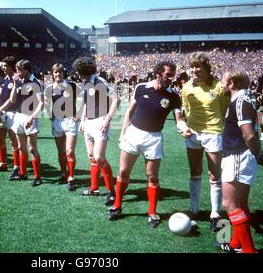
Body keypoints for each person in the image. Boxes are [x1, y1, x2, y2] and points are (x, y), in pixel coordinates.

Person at [109, 61, 191, 227]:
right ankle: (117, 205)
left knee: (152, 176)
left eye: (172, 76)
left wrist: (185, 128)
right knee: (123, 172)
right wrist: (124, 132)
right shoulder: (141, 87)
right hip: (134, 134)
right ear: (158, 74)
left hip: (153, 139)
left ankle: (152, 212)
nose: (171, 79)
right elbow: (130, 112)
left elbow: (179, 120)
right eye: (168, 75)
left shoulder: (174, 97)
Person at [217, 68, 263, 253]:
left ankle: (249, 250)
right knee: (240, 204)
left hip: (237, 156)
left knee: (229, 204)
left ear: (232, 83)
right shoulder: (241, 100)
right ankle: (235, 244)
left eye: (223, 80)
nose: (220, 83)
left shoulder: (240, 101)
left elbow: (248, 134)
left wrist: (256, 154)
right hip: (238, 155)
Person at [181, 52, 228, 232]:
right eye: (192, 67)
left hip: (213, 133)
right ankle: (194, 209)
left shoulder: (219, 87)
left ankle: (215, 214)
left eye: (198, 66)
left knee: (214, 175)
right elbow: (187, 110)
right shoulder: (186, 87)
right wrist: (186, 127)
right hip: (193, 134)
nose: (194, 70)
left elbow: (224, 109)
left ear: (206, 68)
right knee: (195, 172)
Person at [74, 56, 119, 206]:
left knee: (99, 157)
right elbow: (87, 103)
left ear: (83, 70)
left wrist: (107, 120)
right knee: (91, 157)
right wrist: (82, 120)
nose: (77, 74)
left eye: (78, 71)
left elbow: (116, 99)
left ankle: (111, 192)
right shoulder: (85, 83)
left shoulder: (100, 81)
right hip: (89, 123)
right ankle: (94, 188)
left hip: (100, 122)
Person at [9, 59, 44, 187]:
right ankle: (23, 173)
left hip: (30, 117)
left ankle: (37, 177)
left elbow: (41, 103)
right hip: (18, 116)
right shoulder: (19, 82)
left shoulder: (36, 82)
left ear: (26, 70)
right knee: (21, 147)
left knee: (32, 148)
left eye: (19, 70)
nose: (17, 73)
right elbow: (12, 100)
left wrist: (32, 117)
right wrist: (14, 83)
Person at [45, 63, 79, 191]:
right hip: (57, 121)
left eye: (60, 72)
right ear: (52, 74)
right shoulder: (50, 88)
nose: (58, 74)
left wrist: (78, 114)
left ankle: (71, 177)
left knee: (69, 151)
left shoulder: (71, 85)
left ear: (63, 73)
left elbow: (86, 98)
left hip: (70, 121)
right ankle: (63, 173)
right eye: (55, 72)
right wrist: (50, 116)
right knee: (61, 152)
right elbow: (46, 102)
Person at [0, 57, 20, 174]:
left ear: (11, 66)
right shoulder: (4, 80)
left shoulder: (16, 80)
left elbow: (11, 100)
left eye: (5, 66)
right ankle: (2, 164)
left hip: (12, 113)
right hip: (1, 113)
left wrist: (0, 110)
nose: (3, 68)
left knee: (13, 141)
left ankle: (16, 166)